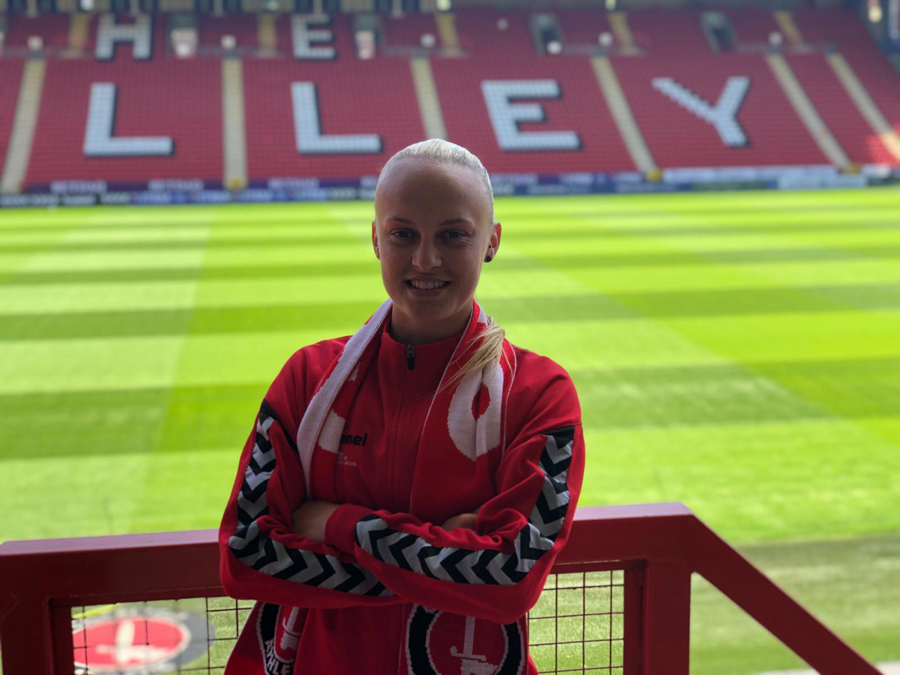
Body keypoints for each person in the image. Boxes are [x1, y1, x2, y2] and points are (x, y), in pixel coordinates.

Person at [218, 139, 585, 675]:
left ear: (491, 241)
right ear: (376, 239)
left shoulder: (539, 392)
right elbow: (246, 554)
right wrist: (450, 555)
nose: (425, 260)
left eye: (453, 235)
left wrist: (338, 523)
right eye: (403, 234)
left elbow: (512, 579)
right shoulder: (307, 377)